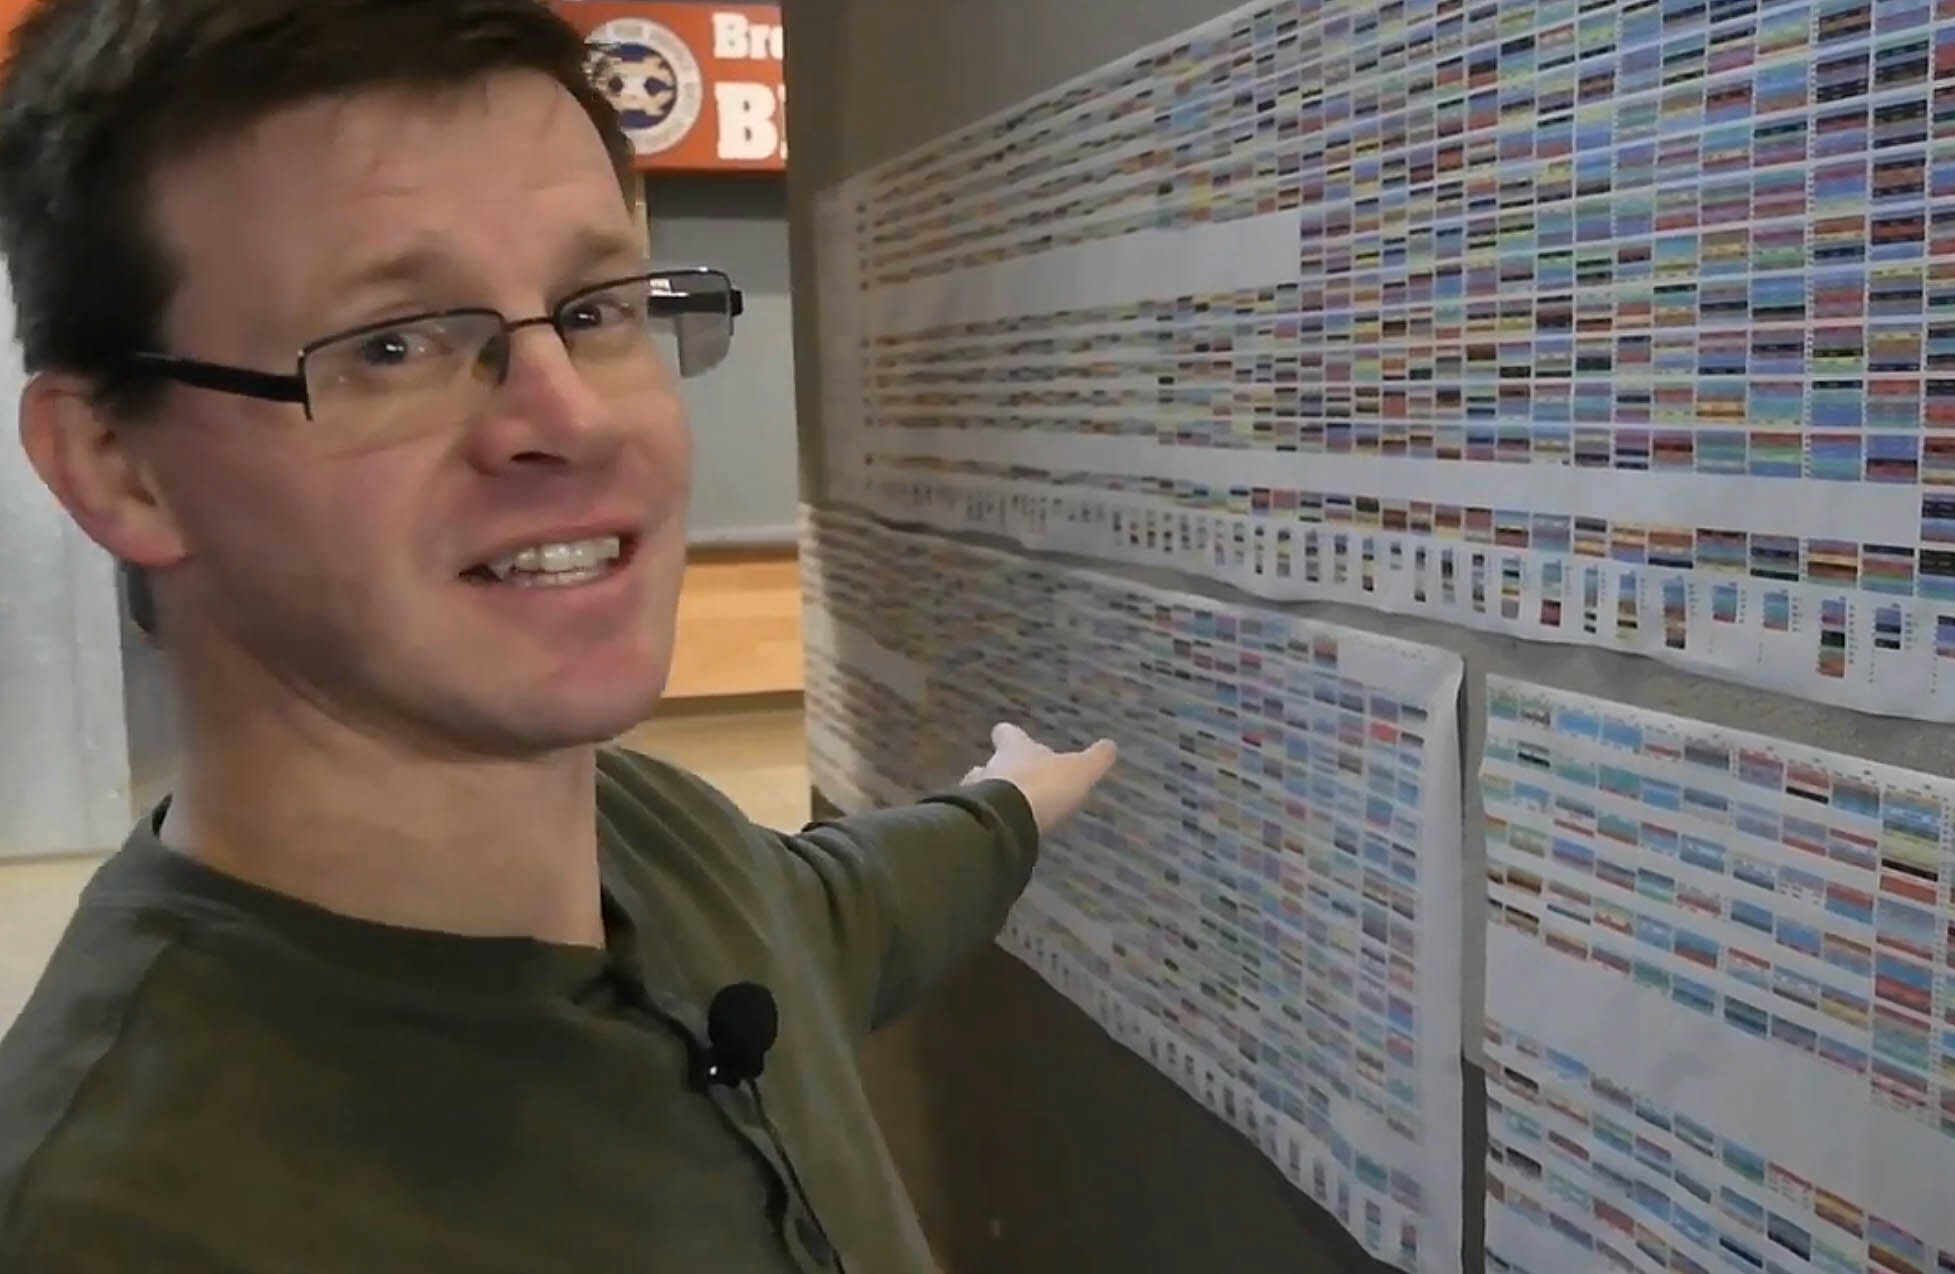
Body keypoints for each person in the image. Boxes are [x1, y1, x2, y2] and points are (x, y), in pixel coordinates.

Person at [0, 1, 1118, 1270]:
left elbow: (837, 906)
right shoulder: (106, 1220)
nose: (573, 421)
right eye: (393, 344)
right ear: (115, 466)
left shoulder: (660, 841)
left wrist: (1016, 796)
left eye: (594, 310)